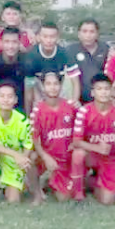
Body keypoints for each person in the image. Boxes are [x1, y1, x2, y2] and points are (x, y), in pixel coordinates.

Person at [71, 73, 115, 205]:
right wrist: (97, 148)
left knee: (108, 201)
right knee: (78, 154)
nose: (103, 93)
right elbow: (76, 141)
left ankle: (91, 183)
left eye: (106, 89)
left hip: (110, 158)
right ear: (92, 92)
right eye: (99, 89)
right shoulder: (84, 111)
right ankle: (78, 193)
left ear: (111, 91)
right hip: (92, 155)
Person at [0, 82, 35, 206]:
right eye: (2, 96)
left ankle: (4, 184)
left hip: (12, 160)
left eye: (10, 96)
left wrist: (22, 159)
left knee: (13, 200)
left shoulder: (22, 121)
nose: (6, 100)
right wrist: (16, 154)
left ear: (15, 100)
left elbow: (28, 145)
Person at [30, 72, 79, 202]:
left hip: (66, 158)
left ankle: (53, 182)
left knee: (64, 198)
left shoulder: (71, 107)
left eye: (56, 84)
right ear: (43, 86)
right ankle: (37, 194)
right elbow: (34, 138)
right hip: (48, 155)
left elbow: (79, 132)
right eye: (48, 84)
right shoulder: (37, 110)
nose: (52, 87)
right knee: (32, 157)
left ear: (61, 85)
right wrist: (45, 157)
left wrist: (74, 143)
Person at [23, 21, 82, 110]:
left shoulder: (64, 53)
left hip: (59, 86)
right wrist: (28, 113)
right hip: (39, 87)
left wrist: (75, 101)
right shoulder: (32, 55)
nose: (49, 40)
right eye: (45, 36)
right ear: (39, 37)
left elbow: (75, 81)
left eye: (52, 37)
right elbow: (29, 86)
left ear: (57, 38)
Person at [64, 19, 110, 103]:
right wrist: (75, 101)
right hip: (82, 99)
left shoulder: (106, 49)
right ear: (79, 34)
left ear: (97, 34)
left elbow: (110, 75)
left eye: (92, 32)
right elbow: (74, 79)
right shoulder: (71, 50)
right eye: (84, 31)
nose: (88, 35)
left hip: (103, 98)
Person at [0, 27, 27, 107]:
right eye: (7, 42)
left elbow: (28, 92)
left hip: (19, 105)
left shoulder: (26, 62)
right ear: (1, 43)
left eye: (14, 42)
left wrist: (27, 116)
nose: (10, 46)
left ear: (19, 43)